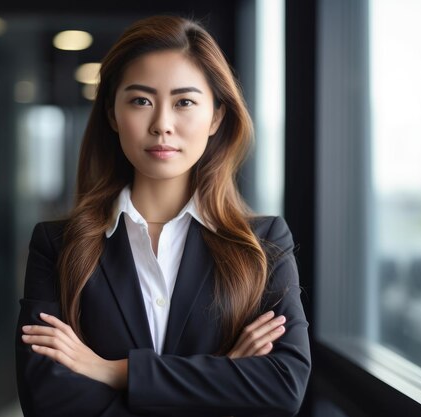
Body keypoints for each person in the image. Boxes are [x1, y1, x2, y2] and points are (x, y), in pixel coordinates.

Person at [16, 15, 311, 417]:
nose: (162, 125)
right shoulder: (58, 245)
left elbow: (282, 388)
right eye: (141, 101)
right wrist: (225, 375)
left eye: (184, 102)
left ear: (217, 117)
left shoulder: (263, 244)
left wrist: (115, 372)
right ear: (112, 115)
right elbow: (49, 400)